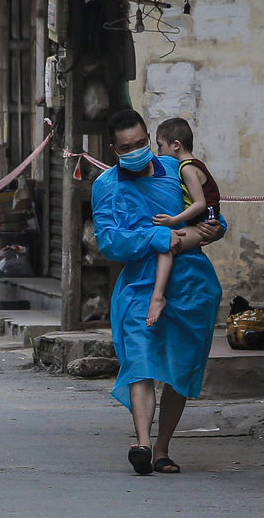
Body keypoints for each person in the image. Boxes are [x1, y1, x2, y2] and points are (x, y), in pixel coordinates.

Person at [91, 108, 227, 476]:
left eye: (141, 144)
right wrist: (160, 237)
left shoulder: (177, 171)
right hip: (139, 285)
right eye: (126, 147)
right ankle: (142, 443)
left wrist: (209, 231)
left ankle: (163, 448)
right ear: (113, 149)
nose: (136, 151)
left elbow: (212, 216)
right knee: (140, 361)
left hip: (191, 285)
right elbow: (110, 242)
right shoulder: (106, 186)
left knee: (180, 369)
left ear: (149, 140)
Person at [146, 118, 221, 329]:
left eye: (160, 146)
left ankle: (158, 297)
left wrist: (173, 221)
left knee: (166, 246)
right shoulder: (195, 165)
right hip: (201, 223)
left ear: (176, 145)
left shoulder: (187, 168)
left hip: (202, 225)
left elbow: (200, 203)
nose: (158, 152)